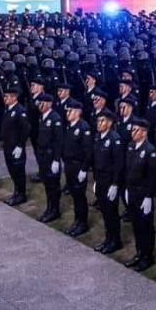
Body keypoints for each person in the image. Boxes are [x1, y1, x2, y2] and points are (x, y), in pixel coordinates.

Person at [123, 118, 156, 271]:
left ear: (144, 133)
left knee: (146, 227)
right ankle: (139, 252)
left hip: (143, 194)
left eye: (136, 130)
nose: (133, 133)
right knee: (136, 224)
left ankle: (147, 256)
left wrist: (149, 196)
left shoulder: (150, 151)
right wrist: (126, 188)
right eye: (132, 130)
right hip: (132, 191)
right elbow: (128, 169)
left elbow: (153, 176)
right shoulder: (131, 146)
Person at [92, 109, 125, 255]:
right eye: (98, 121)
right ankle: (108, 238)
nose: (99, 123)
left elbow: (119, 164)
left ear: (110, 123)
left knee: (111, 212)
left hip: (110, 181)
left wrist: (115, 184)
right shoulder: (98, 137)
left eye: (102, 121)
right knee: (105, 211)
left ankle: (115, 241)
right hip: (100, 179)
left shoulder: (114, 139)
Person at [61, 99, 93, 237]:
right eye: (67, 111)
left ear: (78, 112)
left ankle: (83, 223)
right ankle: (77, 220)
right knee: (74, 194)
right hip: (69, 165)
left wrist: (84, 169)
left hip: (78, 166)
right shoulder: (70, 126)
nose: (67, 113)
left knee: (80, 196)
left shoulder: (83, 127)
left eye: (70, 111)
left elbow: (88, 151)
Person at [35, 93, 64, 223]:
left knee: (53, 186)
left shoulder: (55, 118)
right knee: (47, 184)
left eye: (43, 103)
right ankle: (49, 208)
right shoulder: (42, 117)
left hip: (51, 156)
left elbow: (59, 141)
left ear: (49, 104)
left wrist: (56, 160)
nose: (40, 105)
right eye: (39, 102)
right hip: (43, 156)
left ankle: (54, 210)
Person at [0, 86, 30, 205]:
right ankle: (16, 192)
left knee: (19, 172)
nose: (5, 98)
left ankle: (21, 195)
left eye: (7, 96)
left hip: (16, 147)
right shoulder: (8, 109)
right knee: (12, 171)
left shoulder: (20, 110)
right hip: (8, 146)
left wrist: (20, 145)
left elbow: (26, 129)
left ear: (14, 97)